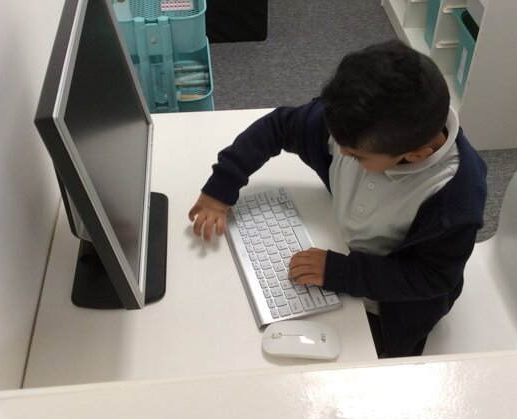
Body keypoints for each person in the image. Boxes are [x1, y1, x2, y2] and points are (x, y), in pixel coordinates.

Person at [188, 41, 487, 357]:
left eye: (355, 156)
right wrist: (220, 189)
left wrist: (341, 273)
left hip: (392, 306)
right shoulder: (357, 126)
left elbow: (431, 277)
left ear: (414, 156)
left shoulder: (455, 200)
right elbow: (279, 126)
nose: (339, 151)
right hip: (340, 243)